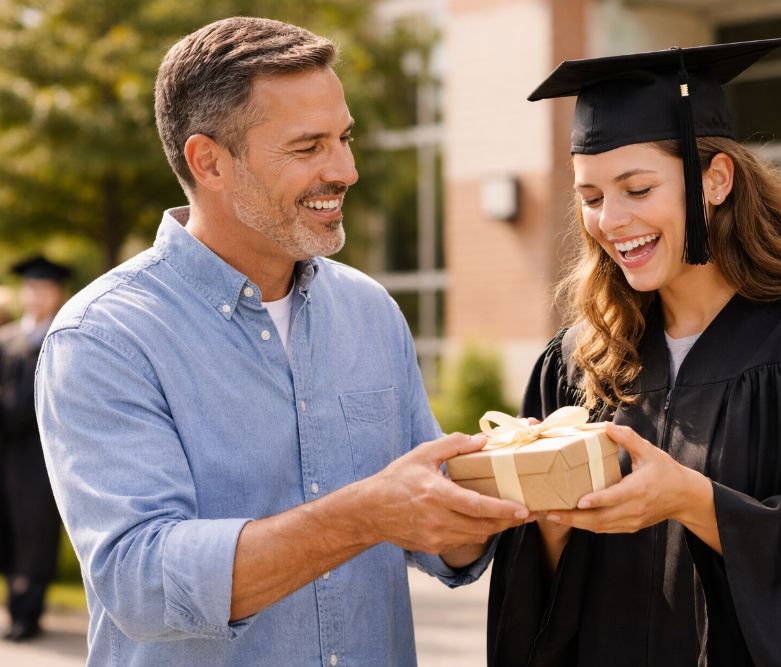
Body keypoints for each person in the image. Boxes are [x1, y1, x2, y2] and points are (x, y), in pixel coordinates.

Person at [34, 16, 527, 666]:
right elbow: (142, 583)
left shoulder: (370, 312)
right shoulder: (103, 337)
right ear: (209, 161)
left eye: (344, 138)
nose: (346, 170)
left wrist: (509, 485)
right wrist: (362, 515)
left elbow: (433, 537)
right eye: (308, 147)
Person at [487, 39, 781, 666]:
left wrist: (692, 500)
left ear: (717, 179)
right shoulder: (580, 363)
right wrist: (548, 515)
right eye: (591, 198)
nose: (611, 220)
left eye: (638, 189)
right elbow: (530, 603)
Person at [0, 256, 71, 641]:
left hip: (41, 457)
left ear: (58, 294)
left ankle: (29, 613)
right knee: (9, 531)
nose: (36, 295)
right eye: (31, 287)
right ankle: (14, 607)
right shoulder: (6, 339)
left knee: (36, 532)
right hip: (6, 454)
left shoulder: (63, 338)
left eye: (44, 288)